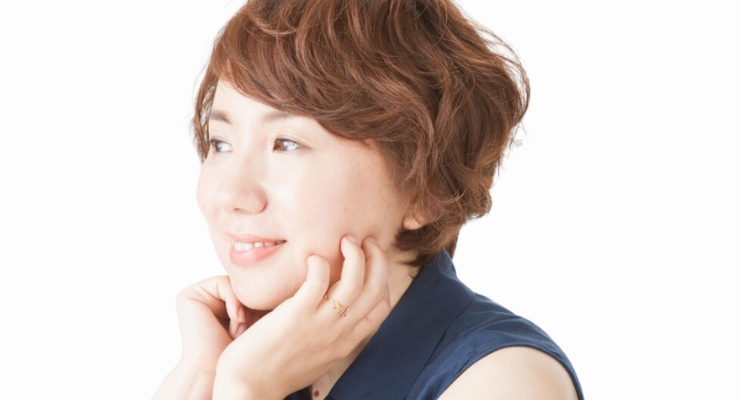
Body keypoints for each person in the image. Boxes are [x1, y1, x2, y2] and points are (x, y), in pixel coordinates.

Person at [154, 0, 583, 398]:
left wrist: (246, 388)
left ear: (423, 189)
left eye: (286, 143)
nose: (229, 194)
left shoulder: (506, 380)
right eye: (220, 143)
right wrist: (200, 376)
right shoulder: (232, 357)